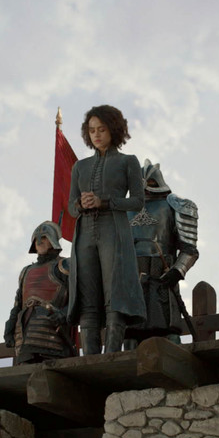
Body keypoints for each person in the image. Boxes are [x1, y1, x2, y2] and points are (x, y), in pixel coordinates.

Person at [67, 105, 146, 354]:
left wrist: (105, 202)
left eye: (101, 129)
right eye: (92, 130)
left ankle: (112, 355)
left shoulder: (128, 161)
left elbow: (138, 201)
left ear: (113, 129)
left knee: (115, 293)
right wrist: (81, 204)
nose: (96, 135)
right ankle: (89, 359)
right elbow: (70, 207)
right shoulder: (79, 167)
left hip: (114, 229)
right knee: (87, 296)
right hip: (84, 233)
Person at [124, 160, 199, 347]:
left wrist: (177, 271)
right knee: (131, 330)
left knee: (167, 327)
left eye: (149, 182)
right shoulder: (124, 209)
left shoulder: (175, 205)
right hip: (131, 273)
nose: (144, 186)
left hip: (162, 270)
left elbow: (189, 249)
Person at [3, 221, 76, 364]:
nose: (39, 241)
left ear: (53, 241)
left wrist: (63, 314)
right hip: (24, 335)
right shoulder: (26, 271)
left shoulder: (65, 266)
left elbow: (78, 298)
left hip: (52, 335)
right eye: (36, 239)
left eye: (44, 237)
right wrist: (10, 327)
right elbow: (18, 305)